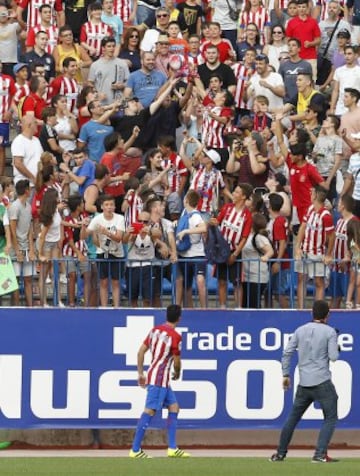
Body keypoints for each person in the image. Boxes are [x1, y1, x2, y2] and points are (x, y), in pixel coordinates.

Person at [270, 299, 339, 463]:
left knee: (292, 418)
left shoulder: (300, 330)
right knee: (330, 417)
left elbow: (287, 352)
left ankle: (280, 453)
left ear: (311, 313)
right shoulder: (330, 332)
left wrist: (286, 374)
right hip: (322, 381)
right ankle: (320, 454)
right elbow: (334, 357)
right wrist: (337, 346)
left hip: (304, 383)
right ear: (328, 315)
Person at [129, 304, 190, 459]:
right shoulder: (175, 337)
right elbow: (176, 361)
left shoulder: (155, 330)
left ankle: (172, 448)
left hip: (156, 375)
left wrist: (140, 373)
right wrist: (177, 372)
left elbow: (140, 351)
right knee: (149, 410)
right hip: (159, 378)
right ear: (179, 318)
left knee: (174, 407)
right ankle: (135, 450)